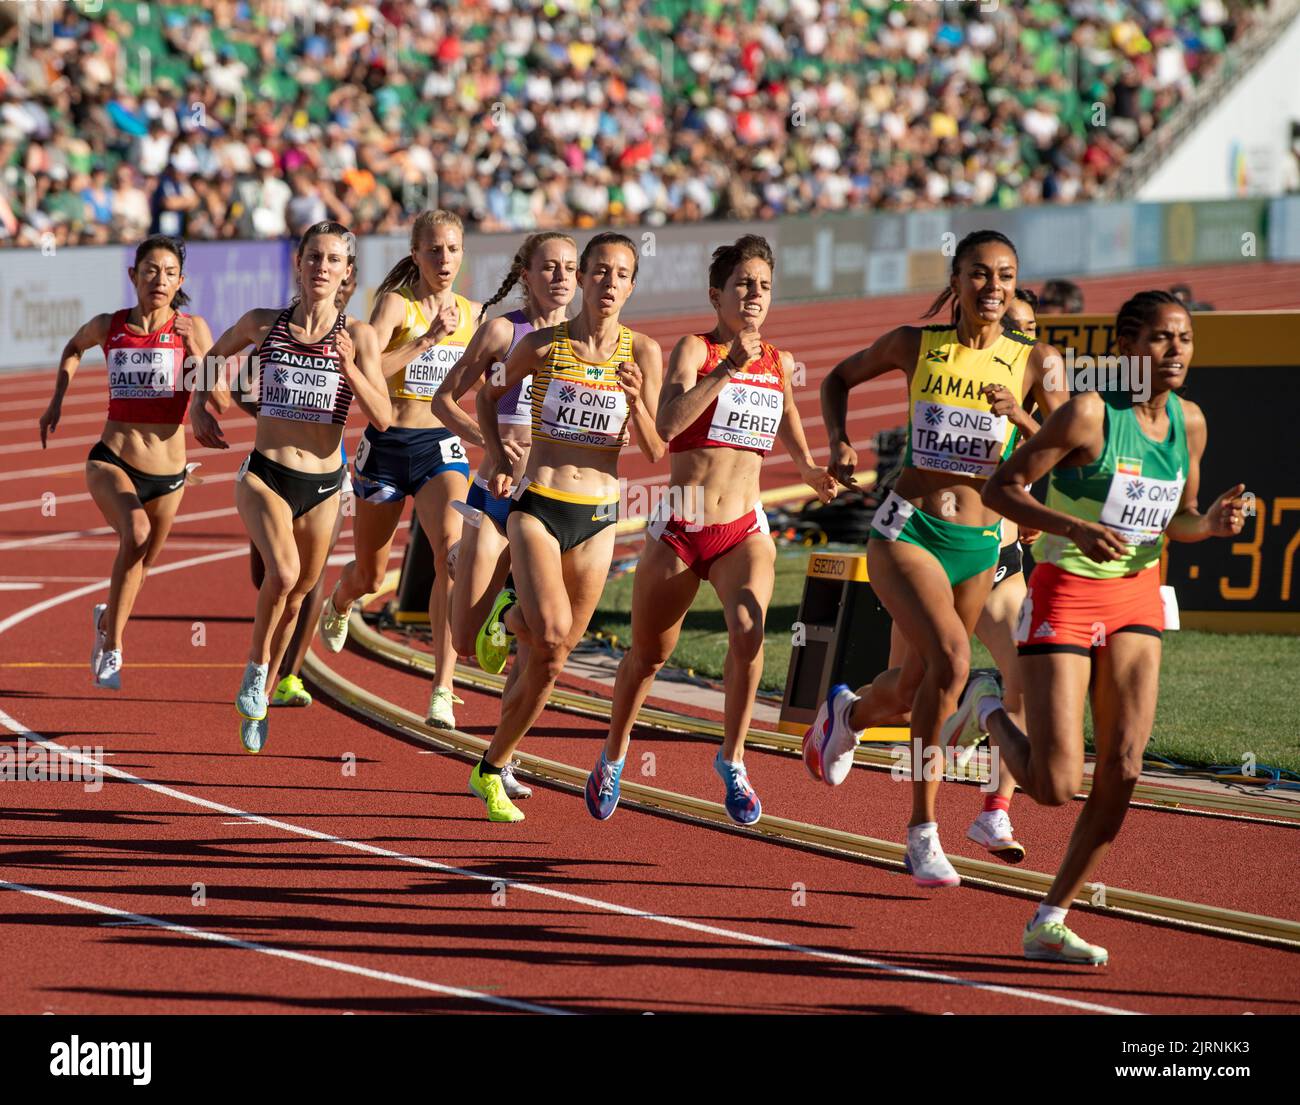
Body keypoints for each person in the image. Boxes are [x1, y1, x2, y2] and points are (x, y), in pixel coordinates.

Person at [950, 290, 1246, 964]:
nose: (1176, 352)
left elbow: (1182, 518)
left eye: (1186, 340)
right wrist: (1075, 526)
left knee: (1125, 765)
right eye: (1162, 339)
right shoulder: (1088, 415)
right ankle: (987, 704)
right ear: (1127, 347)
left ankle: (1050, 916)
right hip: (1068, 592)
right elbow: (1002, 490)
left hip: (1137, 598)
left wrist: (1212, 526)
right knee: (1055, 785)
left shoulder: (1190, 424)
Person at [810, 230, 1067, 887]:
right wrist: (839, 443)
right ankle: (922, 832)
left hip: (979, 546)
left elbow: (1069, 448)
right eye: (979, 274)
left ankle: (847, 714)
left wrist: (1024, 418)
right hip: (909, 530)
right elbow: (838, 378)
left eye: (1005, 275)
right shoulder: (914, 344)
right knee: (956, 663)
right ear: (954, 282)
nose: (993, 287)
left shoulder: (1033, 361)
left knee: (906, 690)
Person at [586, 235, 836, 825]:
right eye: (743, 285)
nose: (755, 295)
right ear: (716, 295)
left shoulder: (775, 359)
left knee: (749, 630)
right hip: (683, 522)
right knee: (649, 655)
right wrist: (727, 368)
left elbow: (791, 426)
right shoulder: (693, 349)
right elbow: (667, 427)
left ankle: (733, 759)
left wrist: (810, 470)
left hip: (741, 527)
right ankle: (614, 755)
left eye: (765, 286)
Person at [468, 232, 665, 822]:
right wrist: (503, 458)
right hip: (540, 504)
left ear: (632, 285)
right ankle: (510, 613)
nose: (609, 283)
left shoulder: (644, 354)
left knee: (554, 659)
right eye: (599, 271)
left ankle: (492, 766)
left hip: (599, 517)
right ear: (583, 279)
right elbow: (487, 395)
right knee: (551, 633)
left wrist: (637, 407)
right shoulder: (543, 345)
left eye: (621, 274)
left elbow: (656, 450)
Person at [189, 221, 391, 752]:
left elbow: (385, 416)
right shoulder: (263, 323)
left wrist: (351, 367)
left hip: (325, 484)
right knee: (282, 573)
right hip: (266, 473)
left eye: (333, 261)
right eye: (313, 258)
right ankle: (255, 673)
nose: (321, 268)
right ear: (298, 265)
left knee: (299, 594)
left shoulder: (361, 336)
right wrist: (198, 403)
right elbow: (212, 356)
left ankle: (272, 677)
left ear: (348, 273)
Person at [316, 209, 480, 730]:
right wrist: (427, 340)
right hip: (386, 446)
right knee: (368, 573)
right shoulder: (395, 305)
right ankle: (340, 601)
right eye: (433, 250)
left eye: (452, 249)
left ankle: (442, 687)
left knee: (452, 554)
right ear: (415, 253)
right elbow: (371, 372)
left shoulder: (475, 315)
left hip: (440, 449)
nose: (444, 259)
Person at [39, 235, 214, 690]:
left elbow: (219, 397)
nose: (159, 280)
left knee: (142, 564)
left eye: (169, 273)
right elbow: (73, 348)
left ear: (181, 281)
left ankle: (105, 619)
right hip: (112, 459)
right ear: (133, 275)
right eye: (150, 270)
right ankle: (113, 644)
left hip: (170, 476)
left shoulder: (192, 327)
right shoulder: (109, 325)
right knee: (134, 534)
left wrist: (197, 351)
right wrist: (57, 399)